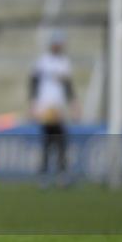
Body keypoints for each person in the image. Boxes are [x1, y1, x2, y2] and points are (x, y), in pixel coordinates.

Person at [29, 30, 78, 187]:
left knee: (58, 141)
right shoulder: (43, 61)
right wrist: (34, 103)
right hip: (46, 106)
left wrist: (73, 104)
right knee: (51, 140)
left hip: (58, 106)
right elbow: (34, 83)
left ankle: (57, 173)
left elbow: (68, 86)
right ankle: (48, 174)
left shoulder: (64, 62)